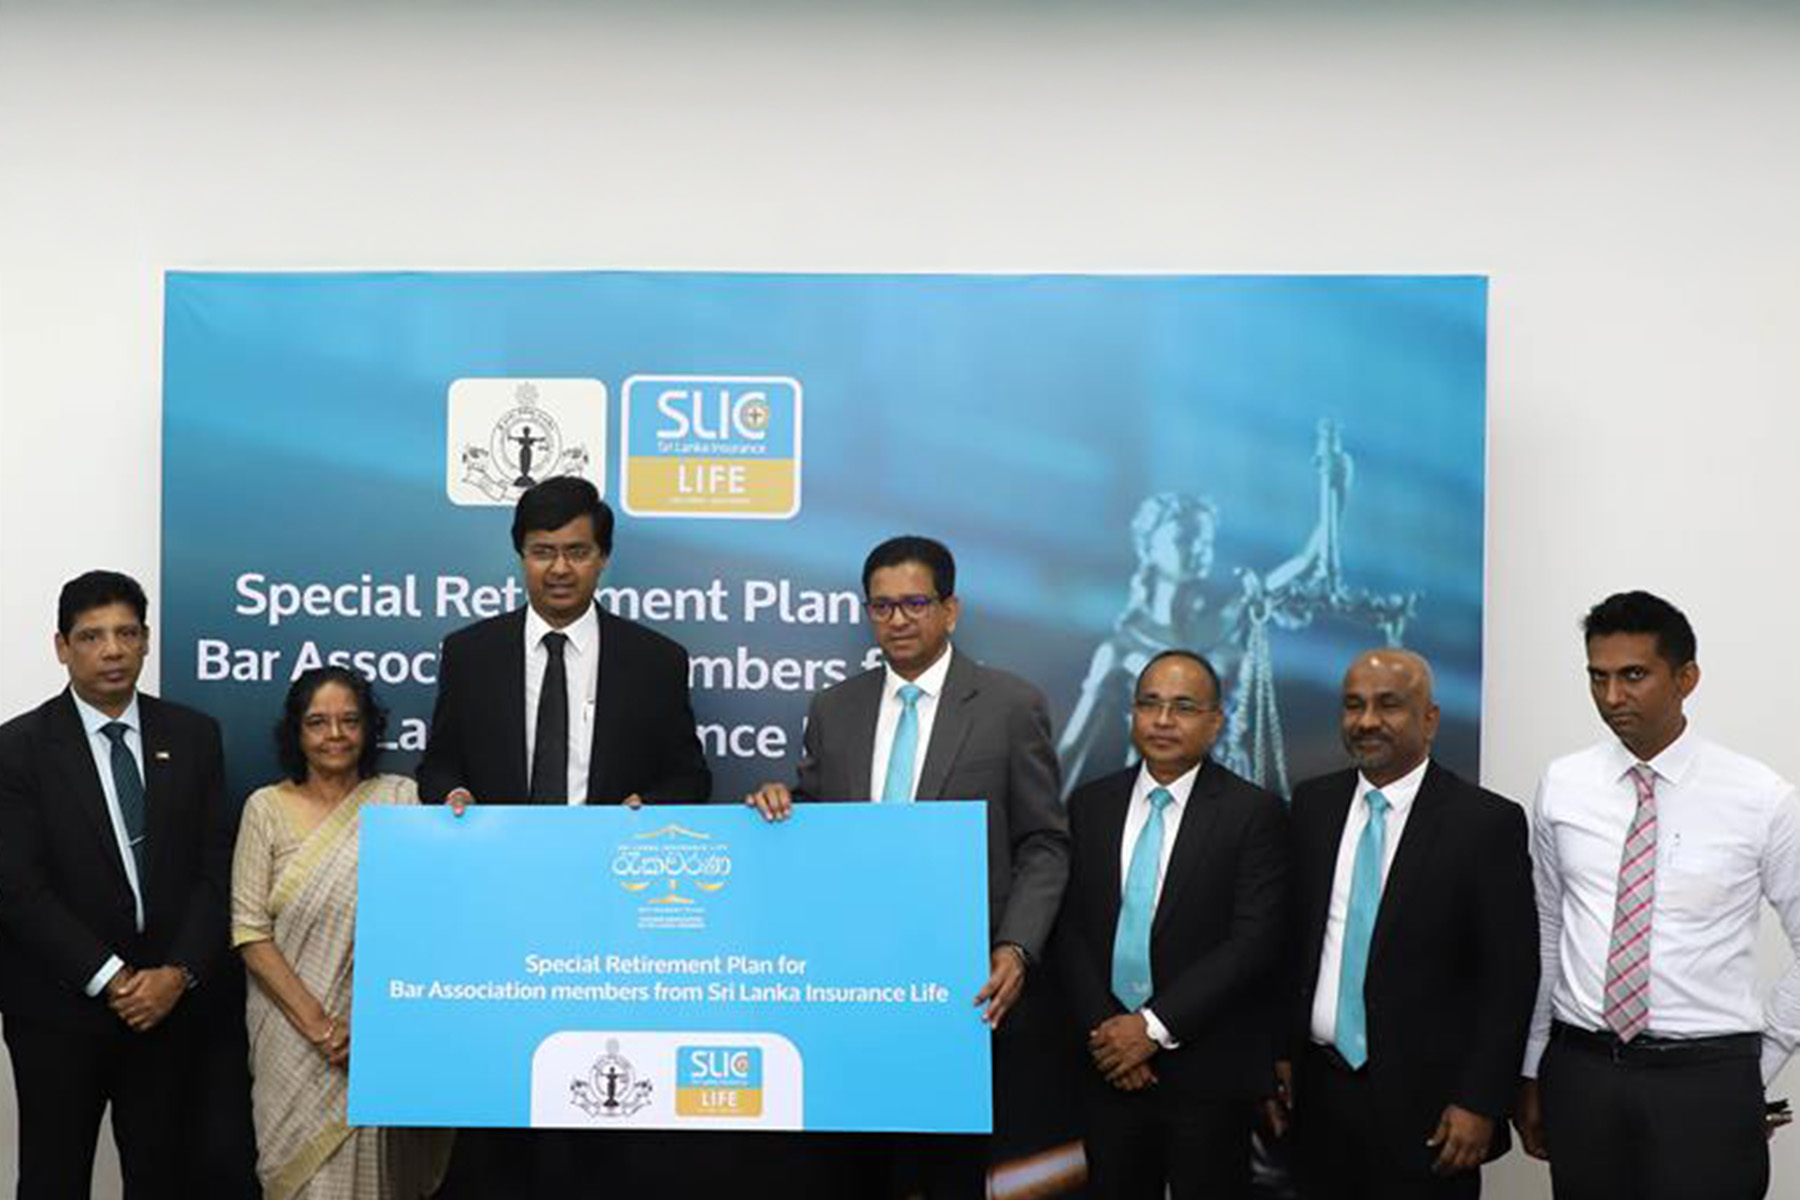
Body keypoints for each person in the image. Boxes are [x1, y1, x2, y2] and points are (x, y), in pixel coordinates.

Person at [746, 534, 1070, 1197]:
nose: (897, 619)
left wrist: (1015, 947)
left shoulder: (1009, 705)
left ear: (950, 609)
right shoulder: (835, 707)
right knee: (850, 1173)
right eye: (882, 606)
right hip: (854, 990)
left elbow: (1044, 842)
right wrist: (779, 807)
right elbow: (818, 825)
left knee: (950, 1176)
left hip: (963, 991)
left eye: (915, 603)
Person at [418, 475, 711, 1197]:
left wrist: (649, 806)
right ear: (520, 554)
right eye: (543, 551)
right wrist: (451, 795)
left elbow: (690, 776)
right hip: (499, 918)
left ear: (603, 558)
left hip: (611, 921)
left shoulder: (656, 659)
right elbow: (439, 764)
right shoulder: (470, 653)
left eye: (576, 552)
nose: (559, 568)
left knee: (601, 1116)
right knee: (504, 1115)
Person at [1514, 591, 1800, 1200]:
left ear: (1686, 678)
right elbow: (1547, 927)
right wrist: (1534, 1064)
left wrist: (1758, 1061)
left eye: (1634, 675)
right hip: (1583, 1070)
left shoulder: (1761, 798)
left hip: (1706, 1078)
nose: (1612, 697)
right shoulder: (1564, 785)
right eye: (1598, 677)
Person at [0, 570, 234, 1198]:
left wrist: (177, 974)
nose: (112, 650)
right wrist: (114, 978)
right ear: (61, 647)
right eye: (92, 636)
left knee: (165, 1179)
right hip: (58, 1010)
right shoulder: (16, 748)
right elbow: (17, 888)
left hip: (168, 1009)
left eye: (127, 633)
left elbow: (217, 869)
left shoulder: (194, 736)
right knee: (53, 1179)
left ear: (147, 640)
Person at [1276, 648, 1537, 1199]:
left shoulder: (1484, 823)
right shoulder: (1313, 805)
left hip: (1431, 1109)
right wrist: (1278, 1052)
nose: (1367, 721)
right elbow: (1293, 945)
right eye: (1354, 705)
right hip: (1319, 1096)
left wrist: (1480, 1101)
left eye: (1388, 705)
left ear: (1430, 719)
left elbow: (1510, 979)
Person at [1053, 649, 1288, 1198]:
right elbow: (1069, 930)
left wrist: (1151, 1029)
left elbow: (1252, 943)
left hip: (1207, 1071)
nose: (1162, 720)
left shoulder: (1253, 813)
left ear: (1215, 721)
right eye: (1149, 704)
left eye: (1183, 707)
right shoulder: (1090, 805)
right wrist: (1110, 1035)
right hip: (1108, 1067)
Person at [232, 667, 451, 1199]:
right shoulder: (266, 808)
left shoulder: (401, 800)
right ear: (297, 732)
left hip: (382, 1037)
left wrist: (371, 1028)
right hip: (293, 1036)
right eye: (318, 722)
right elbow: (249, 932)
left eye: (350, 721)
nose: (335, 734)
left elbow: (434, 915)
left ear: (369, 729)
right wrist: (323, 1029)